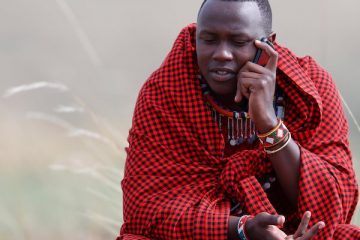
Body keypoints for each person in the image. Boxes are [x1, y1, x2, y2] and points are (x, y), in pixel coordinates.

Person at [118, 0, 359, 239]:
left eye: (239, 42)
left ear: (268, 44)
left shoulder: (310, 86)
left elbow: (335, 206)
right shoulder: (166, 91)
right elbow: (143, 211)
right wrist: (243, 229)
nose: (221, 54)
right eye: (209, 40)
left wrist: (268, 123)